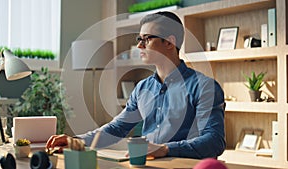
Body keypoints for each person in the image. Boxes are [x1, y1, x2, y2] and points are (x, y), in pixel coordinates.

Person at [46, 11, 226, 159]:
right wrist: (75, 141)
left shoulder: (204, 87)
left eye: (146, 39)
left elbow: (214, 141)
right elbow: (117, 128)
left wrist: (165, 149)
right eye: (138, 39)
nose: (139, 46)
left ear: (169, 42)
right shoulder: (142, 88)